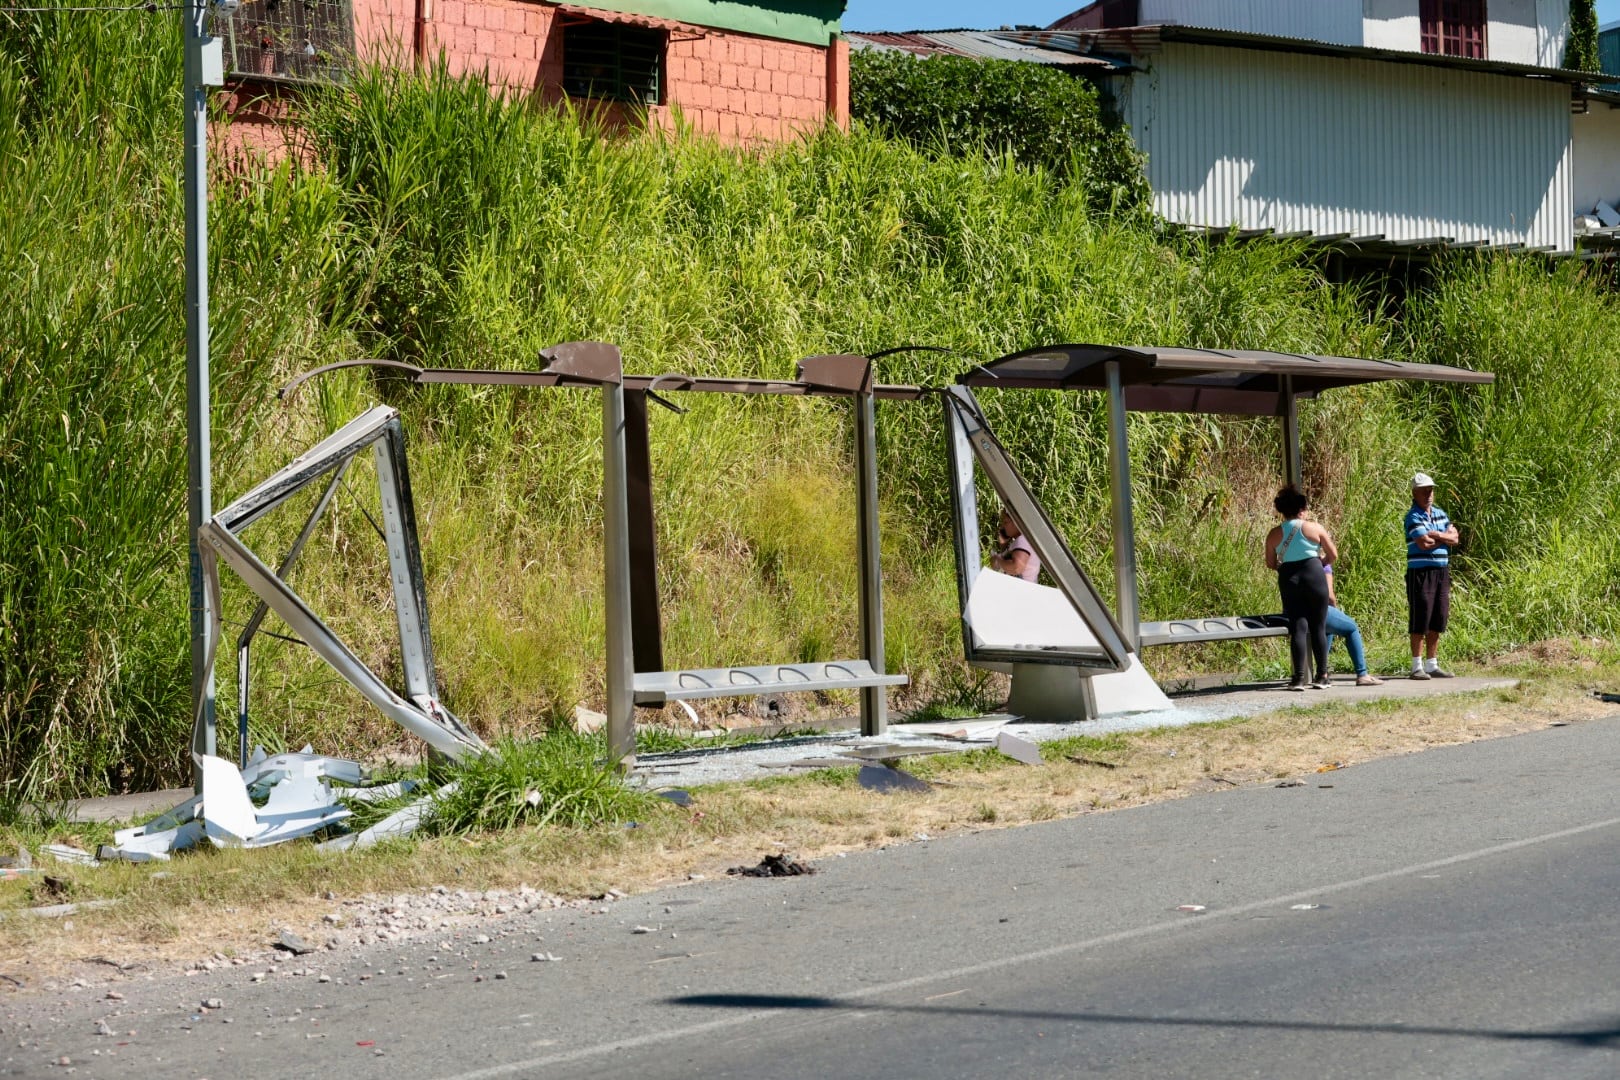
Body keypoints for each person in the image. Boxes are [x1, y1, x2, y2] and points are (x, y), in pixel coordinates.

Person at [1264, 486, 1337, 691]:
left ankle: (1298, 678)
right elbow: (1333, 555)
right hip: (1314, 574)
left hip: (1289, 578)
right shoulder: (1314, 528)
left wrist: (1286, 566)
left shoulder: (1274, 534)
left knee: (1298, 626)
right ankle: (1322, 676)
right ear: (1302, 508)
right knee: (1318, 626)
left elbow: (1270, 563)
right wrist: (1319, 563)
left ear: (1282, 510)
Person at [1405, 471, 1459, 679]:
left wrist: (1437, 534)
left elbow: (1454, 539)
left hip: (1441, 571)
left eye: (1431, 490)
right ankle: (1416, 666)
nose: (1428, 494)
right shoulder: (1413, 516)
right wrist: (1444, 537)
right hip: (1420, 572)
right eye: (1424, 491)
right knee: (1421, 616)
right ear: (1415, 493)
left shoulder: (1439, 513)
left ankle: (1431, 664)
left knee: (1438, 614)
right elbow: (1424, 544)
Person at [1324, 563, 1383, 686]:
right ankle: (1362, 674)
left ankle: (1322, 672)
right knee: (1351, 627)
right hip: (1318, 610)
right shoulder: (1322, 565)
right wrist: (1334, 608)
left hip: (1294, 613)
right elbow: (1329, 596)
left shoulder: (1289, 561)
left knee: (1329, 628)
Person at [989, 509, 1041, 583]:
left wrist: (998, 559)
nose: (1003, 526)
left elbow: (1017, 568)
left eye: (1005, 522)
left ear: (1016, 522)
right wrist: (1003, 546)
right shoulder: (1021, 541)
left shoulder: (1022, 540)